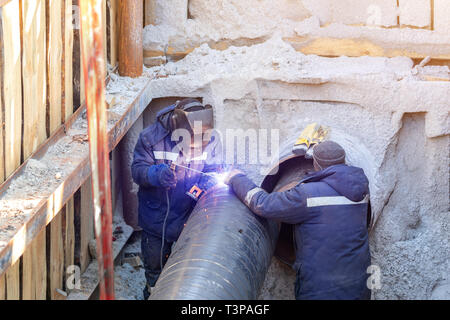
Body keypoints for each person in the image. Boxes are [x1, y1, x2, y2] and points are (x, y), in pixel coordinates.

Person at [225, 141, 372, 300]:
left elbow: (263, 204)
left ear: (315, 163)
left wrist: (236, 178)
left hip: (322, 291)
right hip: (359, 287)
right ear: (343, 161)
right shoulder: (361, 188)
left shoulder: (307, 196)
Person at [132, 98, 220, 299]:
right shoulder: (150, 138)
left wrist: (202, 188)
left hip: (188, 221)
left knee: (185, 275)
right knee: (155, 273)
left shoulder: (209, 139)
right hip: (156, 221)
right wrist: (155, 174)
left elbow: (213, 170)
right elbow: (137, 171)